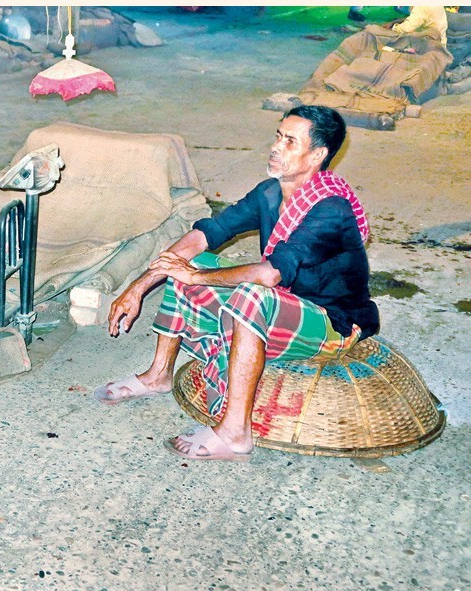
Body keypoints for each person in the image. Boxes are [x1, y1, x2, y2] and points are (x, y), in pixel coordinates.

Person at [94, 105, 380, 462]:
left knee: (249, 292)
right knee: (191, 260)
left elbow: (269, 275)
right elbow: (205, 234)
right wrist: (139, 286)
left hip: (332, 320)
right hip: (285, 301)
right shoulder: (270, 193)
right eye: (278, 136)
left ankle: (235, 433)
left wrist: (195, 278)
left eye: (291, 142)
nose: (277, 147)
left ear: (318, 155)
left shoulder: (330, 208)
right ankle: (158, 375)